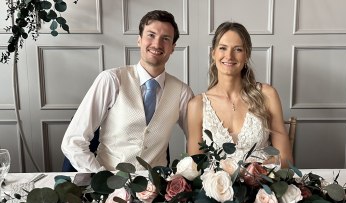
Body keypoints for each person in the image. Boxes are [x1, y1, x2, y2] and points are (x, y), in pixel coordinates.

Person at [61, 10, 194, 172]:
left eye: (165, 39)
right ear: (139, 40)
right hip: (108, 185)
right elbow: (73, 141)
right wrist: (101, 178)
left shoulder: (182, 92)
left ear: (173, 47)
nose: (157, 44)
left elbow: (198, 141)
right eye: (151, 35)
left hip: (156, 188)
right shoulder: (111, 80)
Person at [186, 22, 293, 168]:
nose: (229, 56)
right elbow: (195, 167)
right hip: (217, 188)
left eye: (238, 49)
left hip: (263, 185)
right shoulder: (197, 105)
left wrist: (262, 173)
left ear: (247, 54)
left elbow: (286, 158)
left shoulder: (267, 95)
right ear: (213, 53)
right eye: (223, 48)